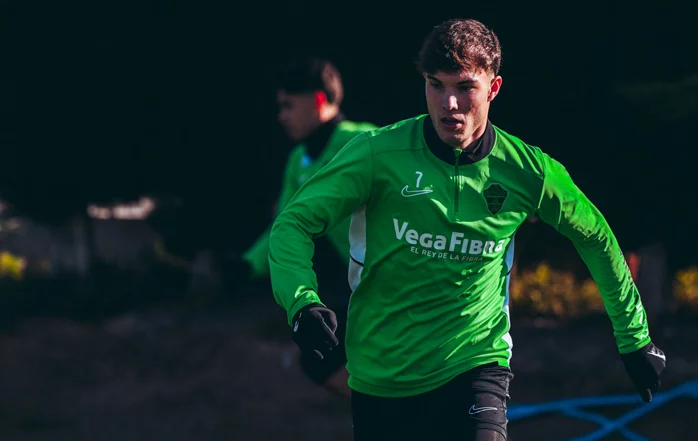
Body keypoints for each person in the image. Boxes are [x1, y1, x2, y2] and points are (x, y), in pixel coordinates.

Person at [268, 18, 666, 441]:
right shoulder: (377, 155)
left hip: (476, 363)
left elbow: (595, 237)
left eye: (464, 86)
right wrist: (301, 302)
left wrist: (634, 337)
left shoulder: (528, 171)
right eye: (435, 85)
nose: (449, 103)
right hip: (382, 375)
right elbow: (293, 222)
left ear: (493, 88)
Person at [227, 56, 377, 397]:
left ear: (318, 101)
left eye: (288, 106)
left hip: (399, 282)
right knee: (320, 359)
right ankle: (395, 416)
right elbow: (285, 226)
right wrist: (246, 265)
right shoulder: (299, 160)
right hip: (363, 288)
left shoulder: (366, 141)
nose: (281, 116)